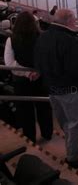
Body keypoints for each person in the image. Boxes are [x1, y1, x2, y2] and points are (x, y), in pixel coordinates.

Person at [34, 9, 78, 168]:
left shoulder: (44, 36)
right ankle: (77, 158)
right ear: (69, 21)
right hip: (73, 90)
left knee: (67, 123)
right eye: (74, 20)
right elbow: (77, 69)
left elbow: (38, 61)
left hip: (54, 89)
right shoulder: (68, 40)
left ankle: (73, 149)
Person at [4, 11, 53, 143]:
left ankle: (29, 137)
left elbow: (10, 63)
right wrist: (37, 72)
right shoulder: (42, 37)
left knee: (26, 111)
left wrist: (27, 73)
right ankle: (47, 133)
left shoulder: (11, 40)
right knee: (44, 108)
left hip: (21, 82)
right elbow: (48, 59)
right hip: (40, 79)